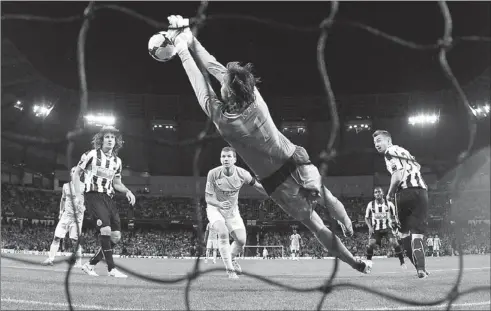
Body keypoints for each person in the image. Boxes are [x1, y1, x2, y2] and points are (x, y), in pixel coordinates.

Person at [167, 15, 371, 275]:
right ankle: (346, 223)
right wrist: (191, 38)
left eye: (224, 85)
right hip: (295, 160)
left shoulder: (225, 121)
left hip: (276, 183)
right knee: (327, 197)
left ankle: (355, 263)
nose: (222, 82)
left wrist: (183, 49)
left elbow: (201, 82)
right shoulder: (255, 97)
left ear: (228, 92)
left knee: (317, 226)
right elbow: (218, 69)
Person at [74, 125, 136, 278]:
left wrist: (128, 191)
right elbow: (76, 173)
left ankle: (90, 265)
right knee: (105, 230)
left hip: (108, 198)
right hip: (93, 196)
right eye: (107, 137)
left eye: (112, 138)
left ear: (116, 142)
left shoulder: (117, 161)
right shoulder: (91, 155)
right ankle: (111, 269)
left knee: (116, 236)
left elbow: (116, 183)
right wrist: (78, 194)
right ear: (101, 140)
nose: (110, 140)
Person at [373, 129, 430, 278]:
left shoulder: (389, 152)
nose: (376, 145)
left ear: (389, 141)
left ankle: (418, 268)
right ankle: (422, 269)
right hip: (422, 191)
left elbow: (397, 176)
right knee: (417, 234)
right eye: (375, 143)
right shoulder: (405, 151)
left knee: (403, 233)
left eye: (379, 141)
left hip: (405, 193)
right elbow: (418, 166)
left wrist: (390, 194)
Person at [205, 147, 267, 278]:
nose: (225, 159)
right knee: (222, 233)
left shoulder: (242, 174)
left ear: (234, 159)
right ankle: (230, 271)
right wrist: (219, 203)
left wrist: (272, 193)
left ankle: (231, 259)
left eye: (228, 156)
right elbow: (208, 198)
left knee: (241, 240)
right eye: (223, 156)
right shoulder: (213, 174)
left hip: (232, 211)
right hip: (215, 208)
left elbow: (257, 186)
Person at [43, 167, 85, 267]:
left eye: (77, 172)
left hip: (77, 217)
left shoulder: (84, 187)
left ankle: (78, 262)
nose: (75, 173)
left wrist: (83, 207)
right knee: (56, 237)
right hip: (66, 216)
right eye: (73, 172)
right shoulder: (66, 186)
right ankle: (50, 259)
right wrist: (61, 211)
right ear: (71, 174)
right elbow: (63, 199)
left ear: (80, 174)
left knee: (75, 241)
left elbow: (89, 200)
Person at [364, 186, 406, 269]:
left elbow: (394, 216)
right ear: (374, 195)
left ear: (382, 193)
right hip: (375, 229)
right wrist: (369, 227)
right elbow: (366, 217)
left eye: (379, 192)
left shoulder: (389, 204)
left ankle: (402, 262)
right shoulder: (371, 204)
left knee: (394, 243)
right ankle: (368, 263)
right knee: (370, 245)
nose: (377, 194)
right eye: (375, 192)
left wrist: (396, 227)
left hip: (387, 228)